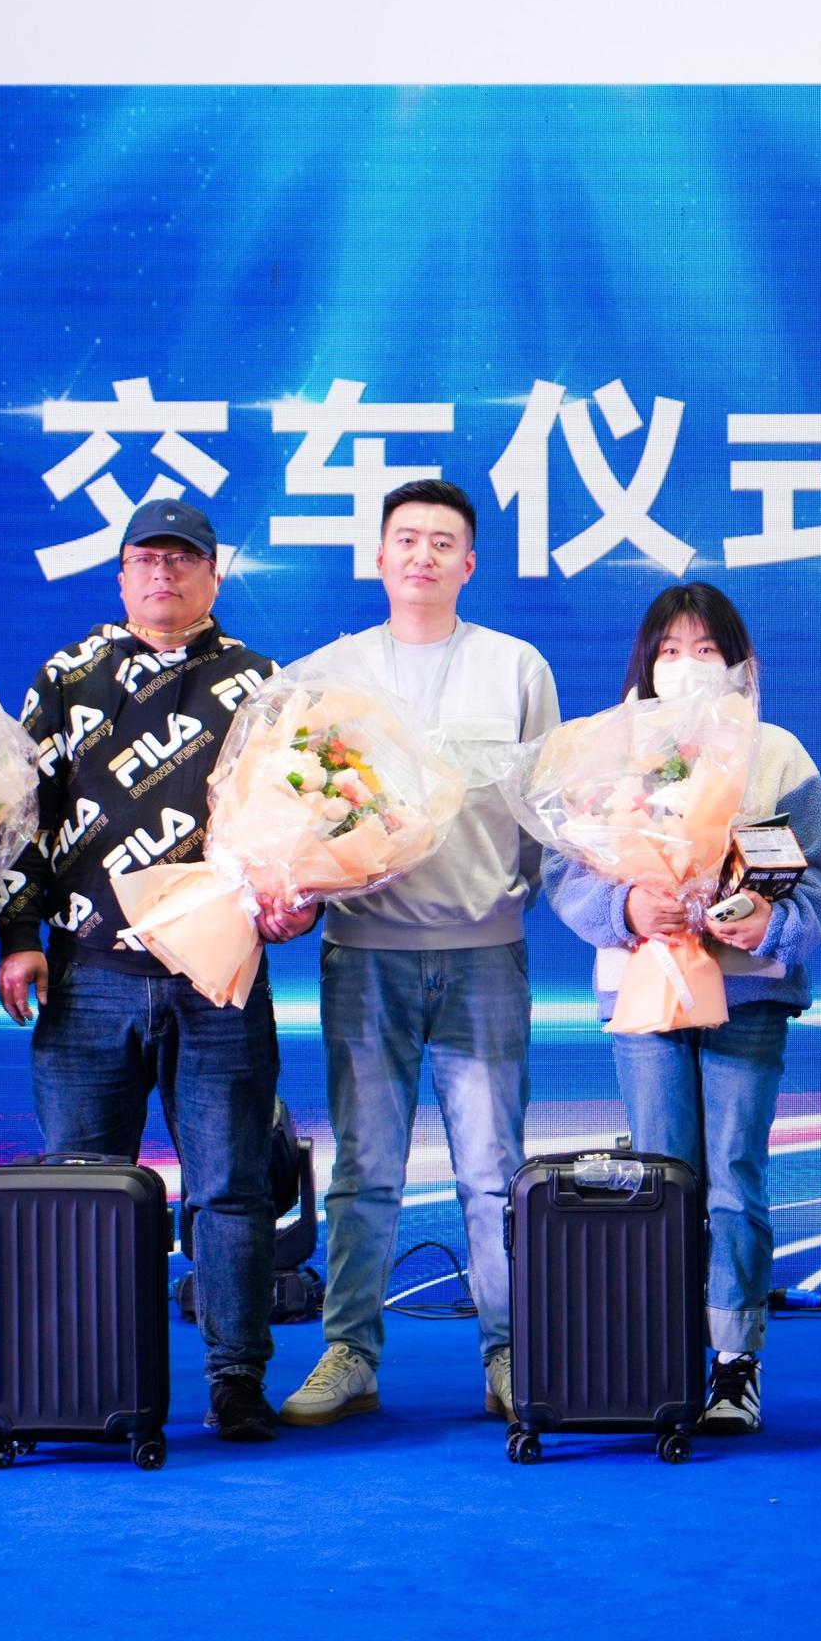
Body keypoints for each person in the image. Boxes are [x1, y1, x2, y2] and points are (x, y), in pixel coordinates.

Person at [0, 498, 309, 1444]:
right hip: (88, 972)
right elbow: (20, 813)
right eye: (147, 560)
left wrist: (300, 900)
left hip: (219, 977)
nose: (164, 575)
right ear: (122, 574)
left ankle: (236, 1377)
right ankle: (86, 1375)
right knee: (82, 1187)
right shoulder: (67, 676)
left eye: (183, 560)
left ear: (214, 576)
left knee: (232, 1186)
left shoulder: (262, 684)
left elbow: (304, 818)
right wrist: (17, 933)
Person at [275, 478, 560, 1427]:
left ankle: (511, 1352)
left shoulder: (516, 667)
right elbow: (295, 804)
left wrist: (501, 895)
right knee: (365, 1169)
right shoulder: (331, 672)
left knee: (492, 1166)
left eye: (443, 542)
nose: (423, 555)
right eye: (407, 539)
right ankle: (349, 1350)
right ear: (379, 557)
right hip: (365, 952)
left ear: (469, 564)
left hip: (483, 951)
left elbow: (546, 812)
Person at [540, 583, 821, 1434]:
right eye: (670, 650)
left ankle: (735, 1361)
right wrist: (629, 907)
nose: (687, 666)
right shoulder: (605, 752)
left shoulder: (778, 753)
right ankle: (663, 1350)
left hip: (746, 992)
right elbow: (567, 874)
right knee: (664, 1175)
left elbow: (814, 884)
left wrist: (768, 921)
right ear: (646, 663)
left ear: (741, 665)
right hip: (645, 987)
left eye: (706, 650)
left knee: (734, 1175)